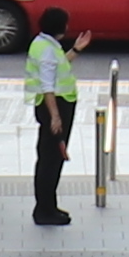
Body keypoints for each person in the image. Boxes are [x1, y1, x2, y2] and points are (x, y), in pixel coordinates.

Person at [27, 13, 84, 227]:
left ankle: (48, 206)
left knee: (49, 158)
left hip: (51, 105)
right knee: (51, 160)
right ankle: (44, 210)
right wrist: (56, 116)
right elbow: (47, 85)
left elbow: (58, 67)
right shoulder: (48, 50)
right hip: (56, 106)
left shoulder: (42, 43)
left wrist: (76, 50)